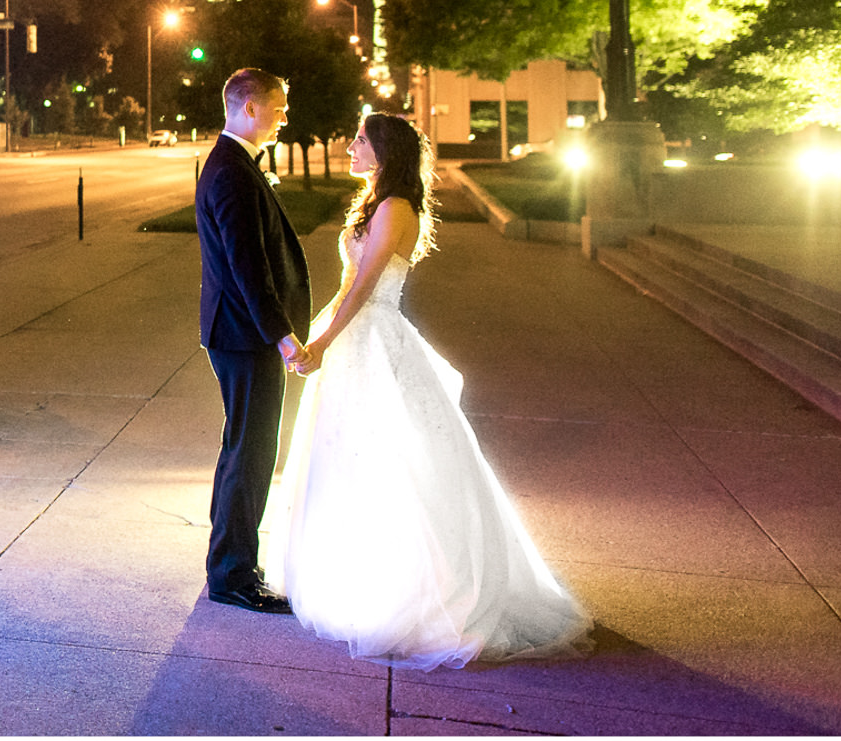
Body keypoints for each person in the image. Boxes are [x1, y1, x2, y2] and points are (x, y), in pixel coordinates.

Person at [265, 114, 594, 667]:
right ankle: (353, 575)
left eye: (361, 141)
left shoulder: (395, 210)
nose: (350, 147)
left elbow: (364, 288)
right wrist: (317, 339)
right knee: (346, 458)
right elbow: (348, 287)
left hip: (375, 340)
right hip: (353, 339)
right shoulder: (375, 204)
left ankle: (424, 597)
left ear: (386, 153)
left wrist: (319, 345)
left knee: (395, 461)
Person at [193, 68, 308, 615]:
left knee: (243, 449)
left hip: (238, 334)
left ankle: (229, 565)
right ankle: (233, 576)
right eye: (279, 107)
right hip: (244, 336)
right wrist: (282, 337)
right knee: (251, 453)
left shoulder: (235, 164)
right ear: (248, 107)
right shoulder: (233, 172)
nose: (285, 116)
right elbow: (248, 267)